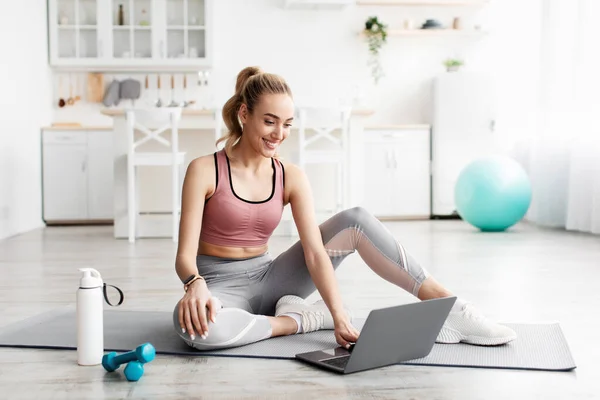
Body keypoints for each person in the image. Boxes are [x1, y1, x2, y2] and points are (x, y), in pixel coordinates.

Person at [172, 66, 517, 351]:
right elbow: (184, 256)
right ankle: (299, 319)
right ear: (245, 114)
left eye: (288, 124)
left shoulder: (290, 176)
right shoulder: (204, 169)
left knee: (355, 220)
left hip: (273, 279)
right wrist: (195, 284)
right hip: (219, 285)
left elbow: (315, 253)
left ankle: (448, 306)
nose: (279, 133)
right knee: (196, 331)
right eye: (270, 121)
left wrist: (339, 316)